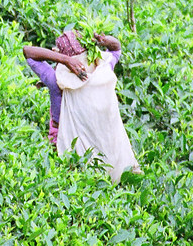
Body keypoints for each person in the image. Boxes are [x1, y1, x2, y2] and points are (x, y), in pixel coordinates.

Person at [23, 29, 140, 182]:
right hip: (105, 136)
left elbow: (28, 51)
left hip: (65, 140)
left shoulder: (57, 82)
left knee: (73, 178)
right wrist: (103, 40)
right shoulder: (104, 70)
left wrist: (64, 60)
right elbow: (116, 48)